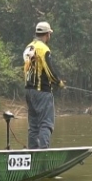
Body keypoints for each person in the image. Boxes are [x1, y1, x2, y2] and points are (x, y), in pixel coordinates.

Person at [23, 21, 64, 149]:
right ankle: (44, 151)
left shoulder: (29, 47)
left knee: (34, 126)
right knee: (46, 123)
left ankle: (33, 151)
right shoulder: (44, 49)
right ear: (47, 34)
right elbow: (49, 70)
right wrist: (59, 82)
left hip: (29, 91)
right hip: (42, 92)